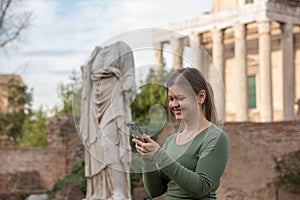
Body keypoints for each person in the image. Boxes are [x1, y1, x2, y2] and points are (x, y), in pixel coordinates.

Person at [132, 67, 230, 200]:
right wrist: (148, 157)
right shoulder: (171, 141)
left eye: (180, 98)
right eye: (171, 99)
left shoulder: (216, 138)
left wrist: (160, 156)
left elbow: (202, 187)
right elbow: (155, 191)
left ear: (201, 97)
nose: (173, 104)